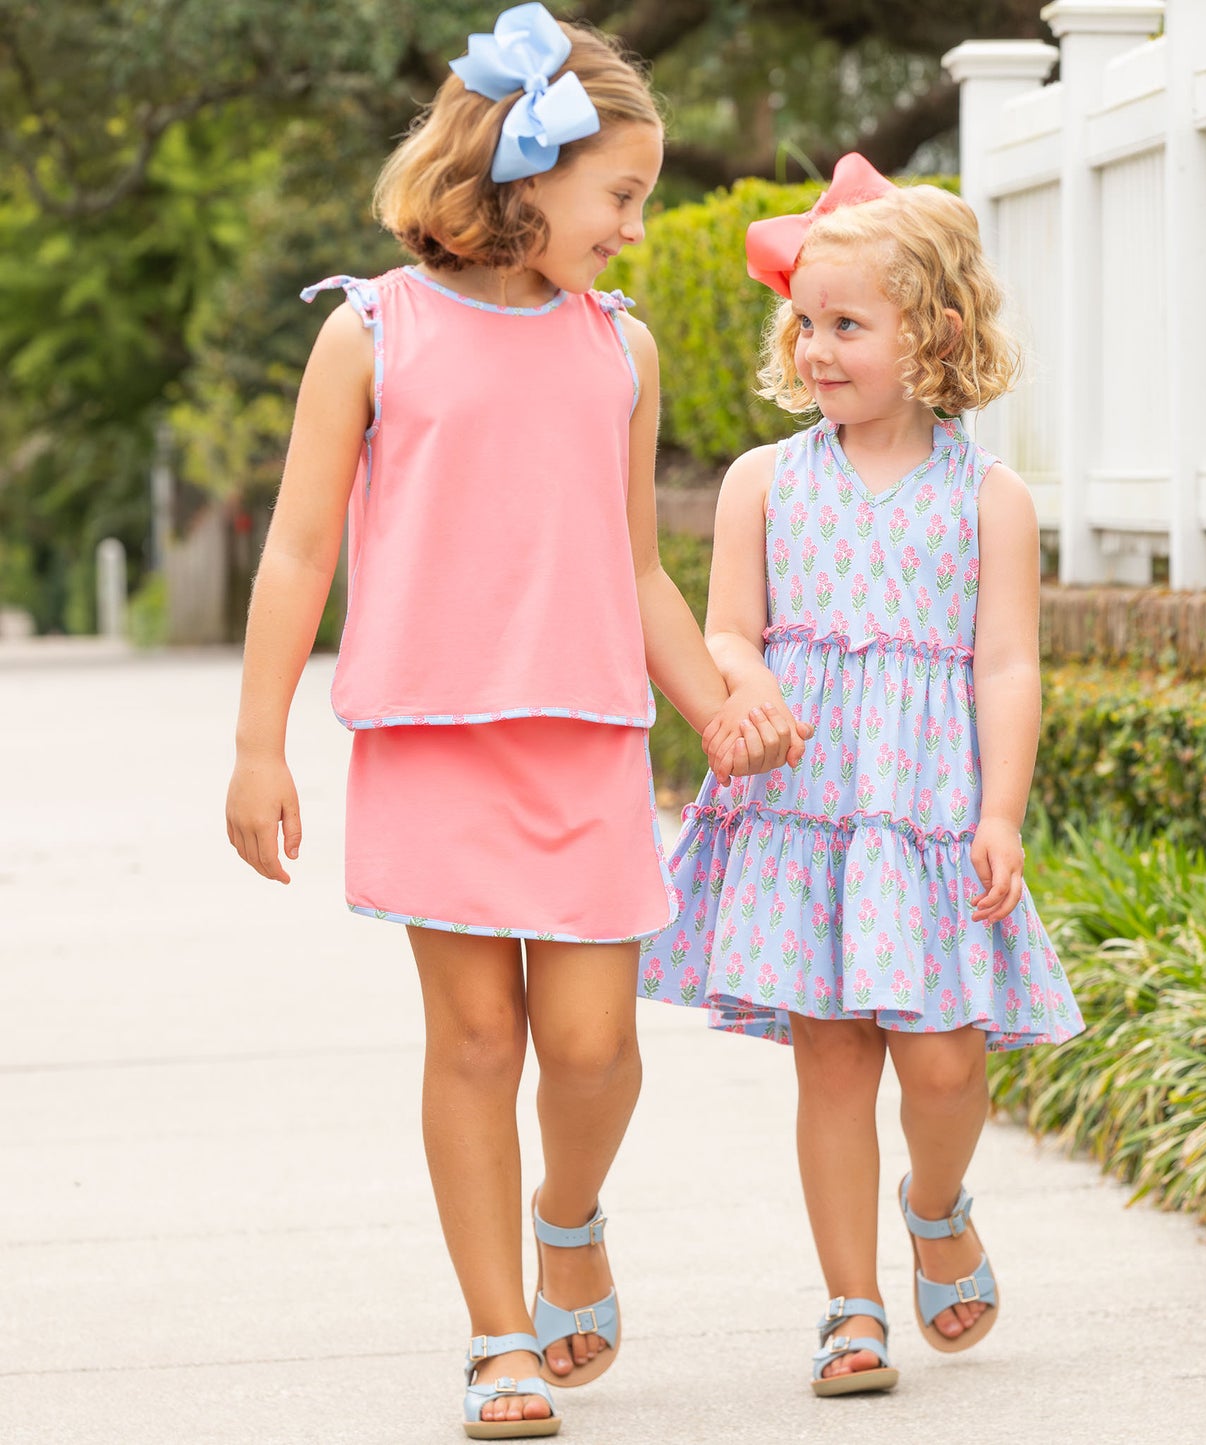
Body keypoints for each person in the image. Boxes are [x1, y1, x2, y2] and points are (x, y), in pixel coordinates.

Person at [224, 6, 808, 1438]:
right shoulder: (369, 333)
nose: (631, 227)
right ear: (524, 169)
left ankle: (567, 1215)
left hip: (586, 738)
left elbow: (634, 565)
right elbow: (299, 552)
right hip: (432, 738)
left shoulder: (619, 347)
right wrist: (256, 744)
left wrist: (718, 698)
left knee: (599, 1047)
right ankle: (498, 1337)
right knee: (477, 1040)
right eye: (621, 195)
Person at [638, 154, 1085, 1398]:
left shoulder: (988, 498)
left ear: (934, 332)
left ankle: (933, 1200)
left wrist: (998, 809)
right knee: (829, 1056)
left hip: (928, 812)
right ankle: (849, 1304)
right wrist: (744, 681)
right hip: (805, 808)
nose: (818, 347)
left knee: (941, 1060)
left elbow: (1004, 665)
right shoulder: (763, 482)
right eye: (806, 321)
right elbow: (727, 629)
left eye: (849, 323)